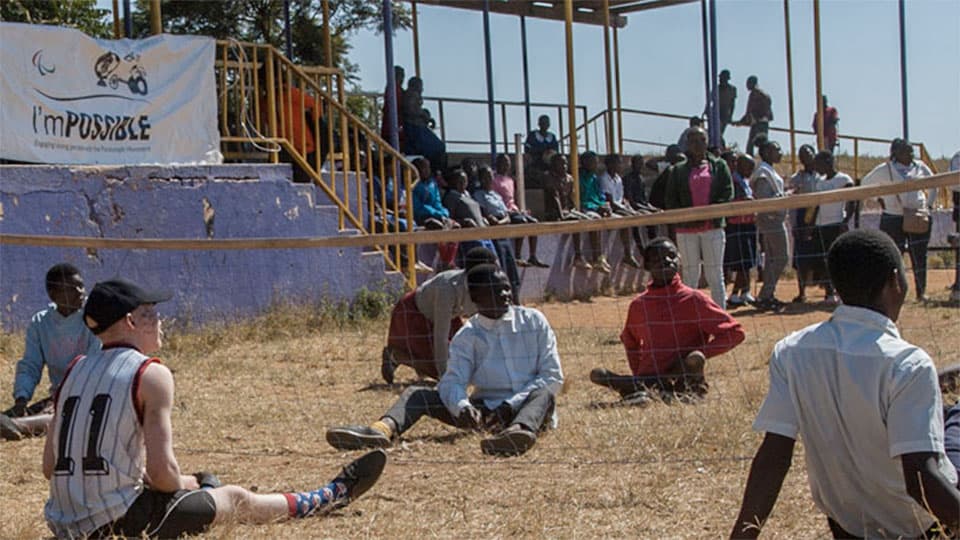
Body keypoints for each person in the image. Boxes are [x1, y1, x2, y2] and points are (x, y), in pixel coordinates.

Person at [43, 278, 388, 538]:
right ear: (131, 322)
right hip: (118, 522)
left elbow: (49, 466)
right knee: (236, 499)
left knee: (201, 489)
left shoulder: (74, 370)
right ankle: (328, 496)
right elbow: (163, 477)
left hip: (64, 524)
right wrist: (196, 484)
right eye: (152, 314)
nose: (161, 321)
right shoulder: (150, 374)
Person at [731, 229, 960, 539]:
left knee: (945, 416)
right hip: (920, 528)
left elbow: (774, 455)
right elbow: (921, 481)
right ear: (895, 280)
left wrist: (742, 536)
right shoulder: (908, 364)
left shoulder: (792, 351)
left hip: (848, 525)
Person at [326, 264, 563, 457]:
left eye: (506, 288)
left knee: (544, 393)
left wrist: (509, 405)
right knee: (419, 393)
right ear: (476, 298)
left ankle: (518, 434)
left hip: (528, 408)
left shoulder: (534, 321)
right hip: (485, 412)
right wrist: (463, 408)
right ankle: (380, 430)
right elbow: (452, 381)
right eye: (495, 290)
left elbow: (552, 377)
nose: (505, 295)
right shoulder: (468, 335)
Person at [590, 238, 744, 404]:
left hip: (683, 375)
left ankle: (648, 394)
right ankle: (642, 389)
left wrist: (700, 353)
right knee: (598, 374)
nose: (666, 261)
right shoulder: (639, 305)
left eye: (672, 256)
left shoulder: (694, 299)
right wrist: (638, 374)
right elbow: (630, 341)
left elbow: (735, 333)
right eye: (657, 258)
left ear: (679, 260)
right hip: (651, 376)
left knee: (695, 359)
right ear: (647, 265)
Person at [0, 264, 101, 441]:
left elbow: (91, 368)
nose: (81, 292)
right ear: (54, 295)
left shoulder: (93, 319)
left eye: (81, 286)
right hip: (57, 395)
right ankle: (14, 421)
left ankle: (18, 426)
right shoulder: (41, 322)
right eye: (72, 288)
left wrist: (63, 396)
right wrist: (21, 399)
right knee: (31, 412)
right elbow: (31, 365)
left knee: (64, 415)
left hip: (88, 392)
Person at [381, 246, 499, 383]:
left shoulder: (486, 287)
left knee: (463, 356)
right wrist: (445, 377)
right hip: (414, 314)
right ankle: (395, 356)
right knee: (438, 367)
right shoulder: (447, 288)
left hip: (449, 316)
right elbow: (440, 337)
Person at [663, 127, 734, 309]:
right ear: (687, 144)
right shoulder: (677, 171)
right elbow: (671, 199)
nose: (698, 144)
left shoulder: (719, 166)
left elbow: (727, 193)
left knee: (715, 274)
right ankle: (689, 315)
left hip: (713, 227)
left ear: (707, 142)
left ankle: (721, 315)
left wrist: (710, 213)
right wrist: (688, 216)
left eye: (702, 140)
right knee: (690, 274)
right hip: (686, 229)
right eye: (693, 140)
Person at [861, 138, 936, 302]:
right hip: (893, 218)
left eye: (911, 151)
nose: (910, 154)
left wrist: (928, 206)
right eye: (906, 151)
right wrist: (879, 198)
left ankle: (921, 292)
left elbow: (934, 184)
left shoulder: (920, 166)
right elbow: (865, 183)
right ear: (895, 153)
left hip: (917, 215)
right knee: (893, 256)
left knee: (919, 255)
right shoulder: (885, 169)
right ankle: (894, 292)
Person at [444, 168, 521, 304]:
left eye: (465, 180)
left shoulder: (468, 195)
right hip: (471, 237)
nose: (463, 183)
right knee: (482, 265)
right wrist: (463, 222)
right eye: (459, 180)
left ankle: (503, 295)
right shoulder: (452, 197)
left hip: (484, 233)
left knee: (495, 263)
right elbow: (449, 217)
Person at [542, 152, 604, 271]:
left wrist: (575, 210)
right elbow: (555, 198)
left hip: (568, 210)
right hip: (554, 212)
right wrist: (562, 216)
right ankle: (578, 256)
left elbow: (570, 198)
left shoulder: (569, 178)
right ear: (554, 165)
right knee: (576, 221)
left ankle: (597, 257)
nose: (564, 166)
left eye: (565, 163)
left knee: (591, 219)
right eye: (560, 163)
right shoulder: (548, 176)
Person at [812, 150, 855, 304]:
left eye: (818, 163)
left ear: (828, 162)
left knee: (840, 259)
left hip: (836, 223)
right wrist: (811, 225)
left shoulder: (843, 179)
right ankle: (829, 292)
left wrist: (845, 220)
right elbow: (816, 206)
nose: (816, 167)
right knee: (825, 260)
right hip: (821, 225)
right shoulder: (820, 182)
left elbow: (852, 201)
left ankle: (844, 291)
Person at [750, 140, 789, 312]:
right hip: (771, 220)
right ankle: (765, 294)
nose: (780, 152)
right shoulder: (763, 172)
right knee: (782, 257)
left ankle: (767, 295)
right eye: (776, 149)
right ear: (765, 152)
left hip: (772, 219)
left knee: (773, 259)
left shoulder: (768, 170)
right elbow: (764, 197)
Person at [491, 153, 548, 267]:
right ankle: (517, 256)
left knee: (534, 222)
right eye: (502, 163)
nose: (505, 165)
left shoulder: (510, 180)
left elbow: (512, 198)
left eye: (507, 163)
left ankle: (532, 256)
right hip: (504, 211)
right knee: (522, 222)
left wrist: (521, 209)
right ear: (497, 165)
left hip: (514, 209)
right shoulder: (493, 179)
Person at [788, 145, 824, 304]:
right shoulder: (796, 178)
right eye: (802, 155)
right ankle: (801, 292)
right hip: (803, 218)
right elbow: (793, 204)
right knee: (802, 258)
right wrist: (795, 225)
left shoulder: (822, 177)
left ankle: (828, 291)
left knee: (822, 256)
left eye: (808, 154)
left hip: (821, 218)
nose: (805, 157)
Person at [724, 154, 758, 308]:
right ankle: (734, 293)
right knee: (741, 261)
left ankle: (745, 291)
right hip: (737, 225)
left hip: (748, 224)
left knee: (749, 260)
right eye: (749, 167)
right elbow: (729, 202)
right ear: (739, 165)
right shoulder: (733, 181)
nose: (751, 170)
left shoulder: (744, 182)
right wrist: (745, 203)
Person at [598, 153, 641, 268]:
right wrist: (629, 212)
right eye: (618, 163)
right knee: (626, 220)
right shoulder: (604, 179)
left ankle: (635, 252)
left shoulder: (618, 179)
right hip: (611, 208)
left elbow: (621, 198)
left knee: (640, 217)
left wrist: (629, 208)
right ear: (610, 164)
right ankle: (627, 254)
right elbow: (611, 201)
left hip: (620, 207)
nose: (620, 165)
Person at [578, 151, 614, 273]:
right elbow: (581, 200)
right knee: (595, 219)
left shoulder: (594, 178)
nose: (596, 164)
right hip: (585, 209)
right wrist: (596, 207)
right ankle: (597, 258)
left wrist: (604, 205)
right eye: (593, 162)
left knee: (619, 219)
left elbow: (601, 196)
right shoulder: (579, 177)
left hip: (598, 207)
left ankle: (607, 256)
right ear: (584, 162)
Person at [402, 76, 446, 171]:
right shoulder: (411, 94)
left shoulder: (412, 95)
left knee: (437, 147)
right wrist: (423, 114)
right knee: (439, 147)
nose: (422, 89)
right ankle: (436, 172)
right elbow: (410, 110)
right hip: (415, 128)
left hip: (418, 127)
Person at [735, 75, 773, 156]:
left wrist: (741, 122)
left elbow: (749, 111)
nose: (747, 85)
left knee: (755, 144)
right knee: (757, 143)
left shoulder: (755, 94)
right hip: (760, 122)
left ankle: (751, 160)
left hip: (759, 123)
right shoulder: (761, 94)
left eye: (748, 83)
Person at [380, 65, 405, 145]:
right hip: (393, 124)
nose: (402, 79)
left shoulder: (396, 88)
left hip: (396, 123)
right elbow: (398, 105)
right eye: (401, 75)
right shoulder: (393, 88)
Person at [717, 69, 737, 137]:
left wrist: (730, 116)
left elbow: (732, 104)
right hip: (715, 112)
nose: (720, 79)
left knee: (720, 133)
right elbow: (710, 101)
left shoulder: (732, 89)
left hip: (725, 113)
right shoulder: (716, 88)